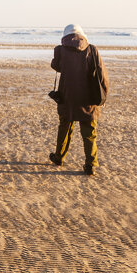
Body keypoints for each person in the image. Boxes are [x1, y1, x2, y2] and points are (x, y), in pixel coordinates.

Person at [49, 24, 109, 175]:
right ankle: (90, 165)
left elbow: (56, 66)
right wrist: (104, 94)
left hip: (67, 96)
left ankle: (59, 157)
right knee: (89, 133)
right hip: (88, 99)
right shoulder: (92, 49)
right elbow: (102, 75)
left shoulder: (60, 50)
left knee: (64, 128)